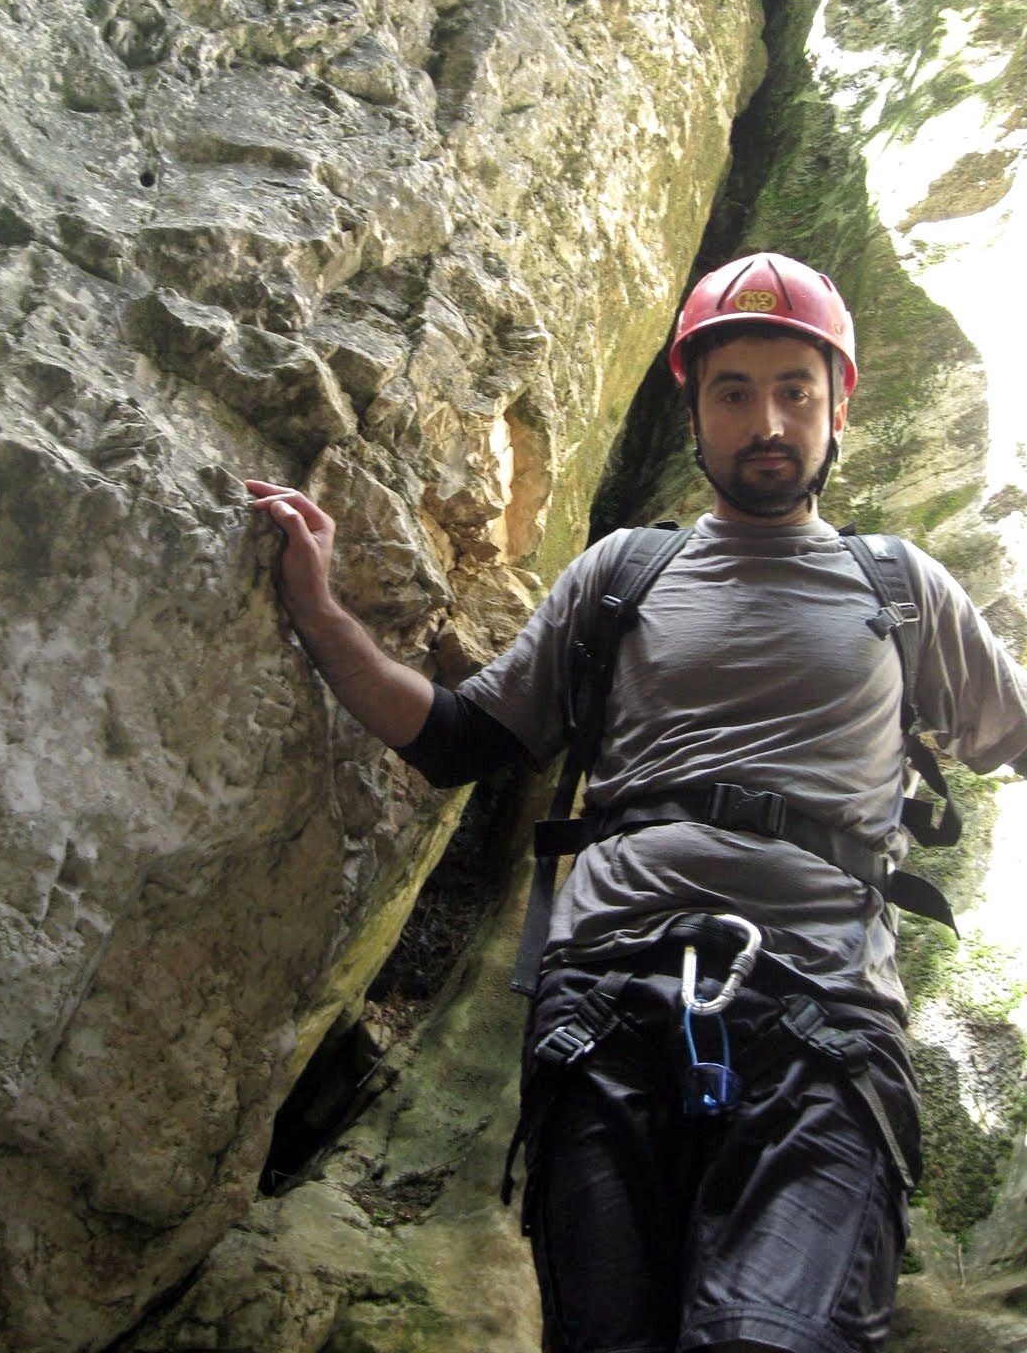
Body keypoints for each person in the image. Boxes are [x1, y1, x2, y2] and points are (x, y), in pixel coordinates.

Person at [248, 252, 1027, 1353]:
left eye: (795, 391)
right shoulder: (623, 574)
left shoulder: (901, 588)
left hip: (826, 1016)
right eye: (734, 392)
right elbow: (458, 741)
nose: (768, 421)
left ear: (838, 405)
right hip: (606, 1000)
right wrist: (320, 609)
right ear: (694, 410)